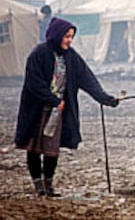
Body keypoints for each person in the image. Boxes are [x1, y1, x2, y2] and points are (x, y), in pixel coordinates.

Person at [14, 17, 119, 197]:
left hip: (58, 110)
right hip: (37, 109)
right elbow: (34, 82)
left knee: (51, 150)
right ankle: (38, 185)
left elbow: (87, 79)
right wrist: (52, 98)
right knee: (34, 148)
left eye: (71, 37)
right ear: (56, 35)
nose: (69, 40)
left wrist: (104, 98)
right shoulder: (39, 53)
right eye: (66, 36)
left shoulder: (71, 56)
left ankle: (49, 184)